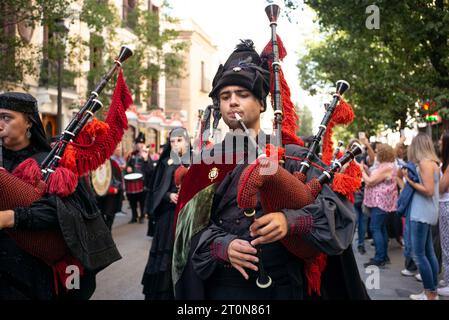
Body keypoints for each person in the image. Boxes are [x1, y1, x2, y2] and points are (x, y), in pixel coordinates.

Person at [172, 40, 369, 300]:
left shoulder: (294, 156)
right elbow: (187, 234)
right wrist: (221, 245)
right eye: (225, 96)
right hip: (225, 288)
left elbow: (339, 213)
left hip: (284, 285)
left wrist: (289, 221)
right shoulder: (206, 162)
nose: (232, 102)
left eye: (242, 95)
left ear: (262, 104)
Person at [0, 92, 120, 299]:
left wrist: (11, 217)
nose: (0, 124)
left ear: (28, 122)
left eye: (6, 117)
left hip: (35, 273)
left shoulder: (55, 164)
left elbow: (66, 212)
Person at [141, 127, 190, 300]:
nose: (176, 144)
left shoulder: (196, 160)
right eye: (172, 141)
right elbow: (156, 189)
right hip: (168, 218)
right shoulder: (165, 163)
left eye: (180, 140)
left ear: (187, 140)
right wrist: (169, 195)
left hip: (188, 219)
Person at [404, 133, 440, 300]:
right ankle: (432, 291)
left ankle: (430, 292)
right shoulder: (434, 163)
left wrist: (409, 182)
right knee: (428, 253)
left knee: (419, 254)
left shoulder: (425, 163)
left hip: (421, 213)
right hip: (428, 212)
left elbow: (429, 190)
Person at [361, 144, 398, 267]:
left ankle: (379, 258)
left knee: (375, 228)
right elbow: (375, 177)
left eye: (377, 152)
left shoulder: (386, 167)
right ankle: (384, 256)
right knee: (381, 228)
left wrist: (362, 171)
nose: (376, 154)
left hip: (380, 203)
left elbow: (370, 181)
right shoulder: (385, 166)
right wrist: (367, 170)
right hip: (380, 202)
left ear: (382, 154)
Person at [125, 132, 153, 224]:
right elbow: (128, 166)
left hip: (143, 182)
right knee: (132, 200)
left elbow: (150, 169)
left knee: (142, 201)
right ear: (136, 144)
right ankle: (134, 216)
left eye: (141, 143)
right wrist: (128, 168)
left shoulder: (146, 155)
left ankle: (142, 216)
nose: (140, 145)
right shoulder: (132, 155)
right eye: (138, 143)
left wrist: (145, 160)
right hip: (132, 182)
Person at [438, 131, 449, 296]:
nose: (438, 142)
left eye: (441, 140)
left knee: (447, 246)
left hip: (446, 205)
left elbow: (441, 187)